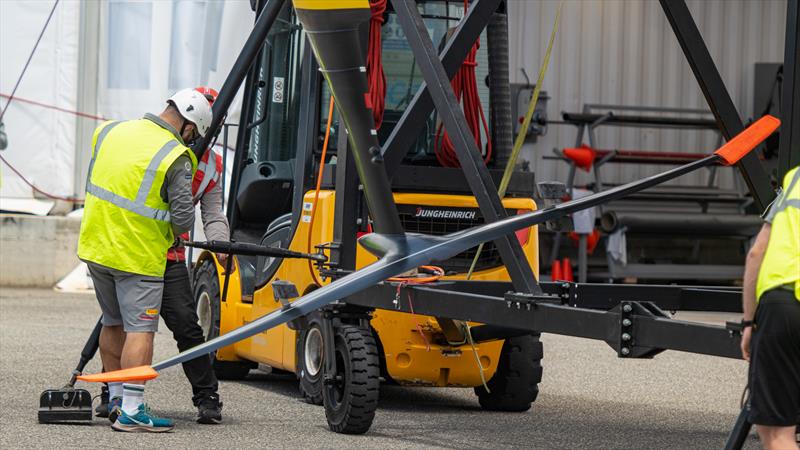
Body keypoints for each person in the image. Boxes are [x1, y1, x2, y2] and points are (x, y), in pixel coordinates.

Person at [77, 88, 212, 433]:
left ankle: (118, 399)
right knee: (141, 330)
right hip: (138, 255)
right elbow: (182, 219)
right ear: (187, 125)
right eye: (193, 132)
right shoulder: (176, 155)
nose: (191, 139)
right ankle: (134, 410)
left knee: (112, 322)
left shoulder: (109, 131)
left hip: (96, 246)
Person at [740, 165, 800, 450]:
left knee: (777, 434)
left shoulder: (796, 179)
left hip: (785, 304)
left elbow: (756, 253)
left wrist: (748, 323)